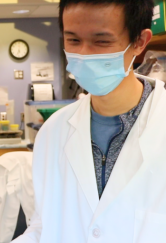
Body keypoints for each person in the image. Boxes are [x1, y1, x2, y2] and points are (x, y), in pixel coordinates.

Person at [13, 0, 166, 242]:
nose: (82, 54)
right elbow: (44, 224)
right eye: (73, 40)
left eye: (101, 41)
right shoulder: (53, 131)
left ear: (139, 42)